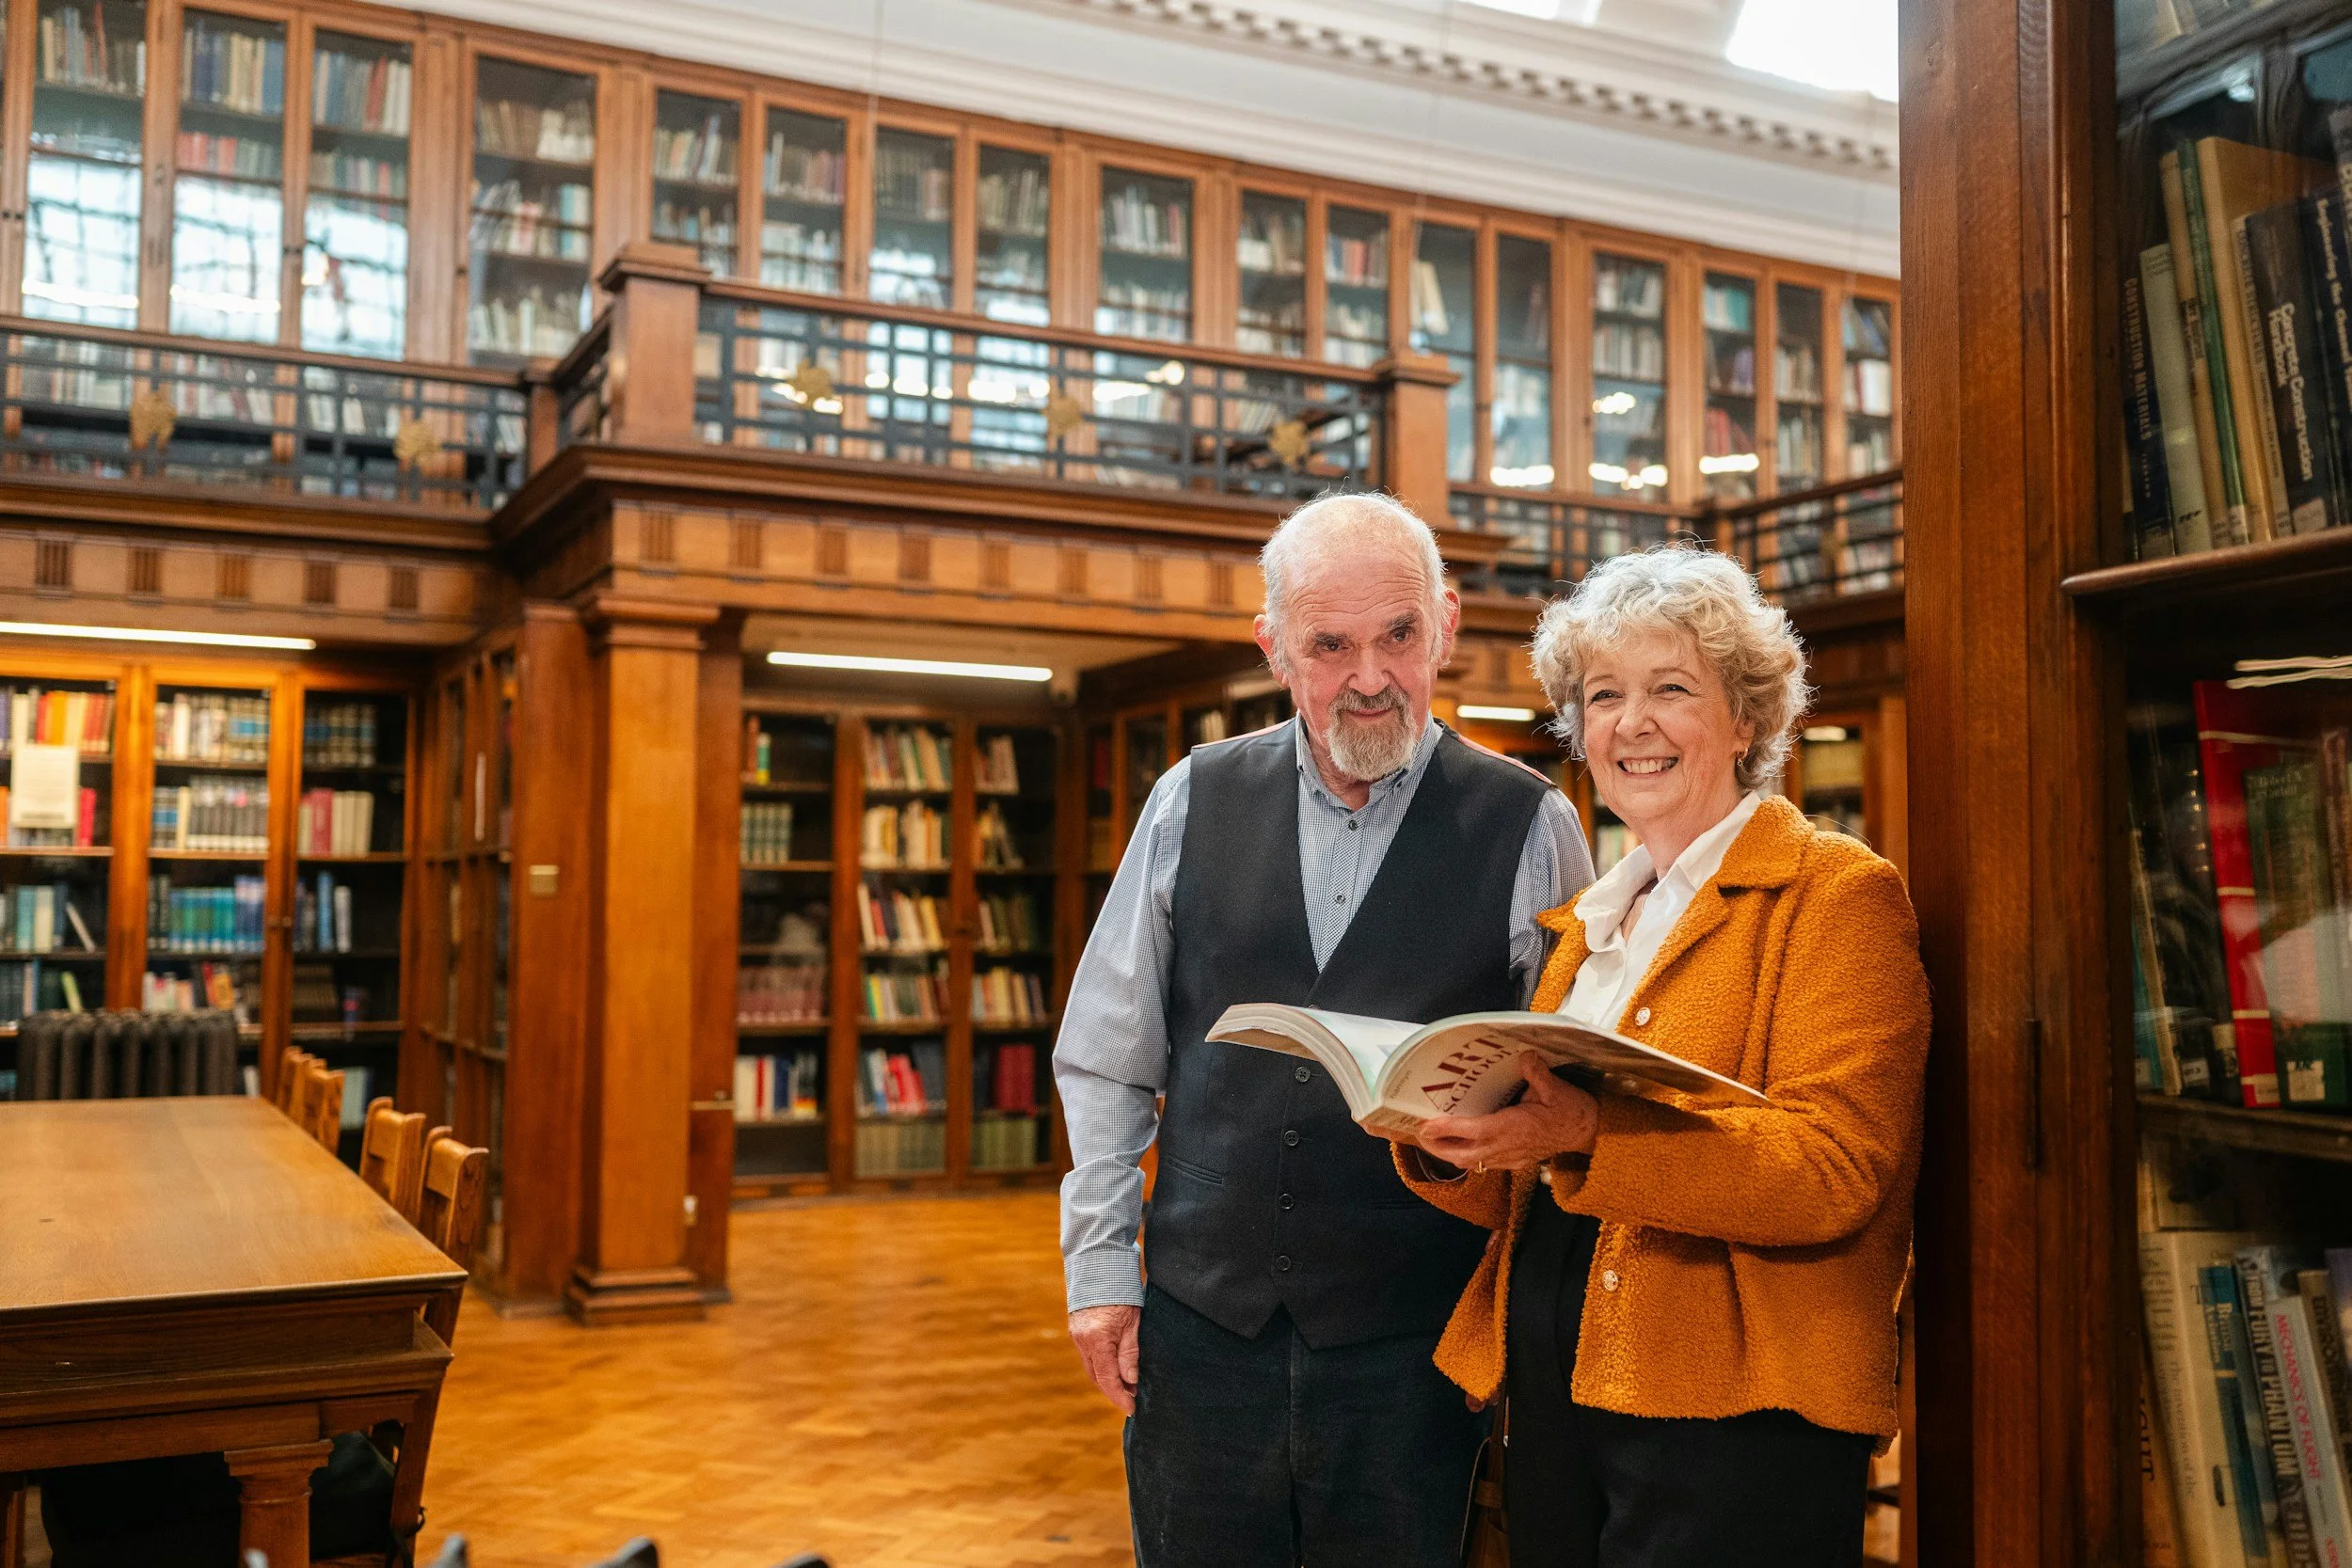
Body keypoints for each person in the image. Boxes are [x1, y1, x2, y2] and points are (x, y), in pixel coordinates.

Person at [1055, 491, 1595, 1568]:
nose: (1367, 676)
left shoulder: (1531, 823)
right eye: (1328, 644)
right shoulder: (1189, 798)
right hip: (1200, 1328)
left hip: (1416, 1339)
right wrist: (1100, 1267)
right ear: (1274, 648)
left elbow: (1570, 1092)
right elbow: (1106, 1058)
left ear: (1443, 623)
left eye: (1398, 635)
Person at [1393, 545, 1930, 1568]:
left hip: (1734, 1407)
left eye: (1669, 689)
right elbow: (1545, 1174)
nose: (1629, 723)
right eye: (1603, 696)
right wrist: (1446, 1137)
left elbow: (1834, 1171)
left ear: (1745, 718)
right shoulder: (1596, 917)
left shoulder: (1834, 893)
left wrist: (1590, 1130)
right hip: (1557, 1377)